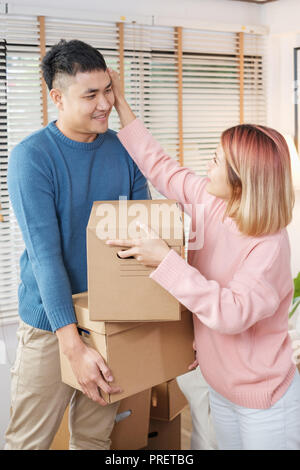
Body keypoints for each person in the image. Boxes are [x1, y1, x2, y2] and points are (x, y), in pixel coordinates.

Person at [106, 68, 300, 450]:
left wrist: (164, 261)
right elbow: (159, 165)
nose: (205, 166)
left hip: (265, 402)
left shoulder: (268, 246)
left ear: (241, 181)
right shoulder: (211, 201)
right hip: (222, 388)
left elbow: (230, 313)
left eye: (215, 161)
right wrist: (122, 105)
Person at [5, 40, 150, 450]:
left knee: (93, 439)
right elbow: (46, 257)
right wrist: (72, 346)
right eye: (91, 94)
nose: (104, 103)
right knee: (27, 443)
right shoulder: (31, 158)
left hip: (109, 319)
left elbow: (148, 233)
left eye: (109, 90)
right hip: (53, 326)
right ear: (57, 97)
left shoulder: (124, 150)